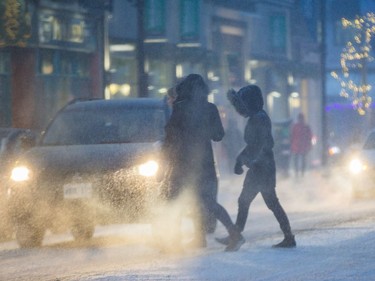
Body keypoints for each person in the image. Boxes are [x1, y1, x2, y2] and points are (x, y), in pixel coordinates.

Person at [160, 74, 245, 252]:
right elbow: (218, 135)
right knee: (208, 202)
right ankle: (232, 235)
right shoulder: (210, 108)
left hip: (182, 164)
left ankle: (174, 242)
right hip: (205, 164)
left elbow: (170, 139)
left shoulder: (180, 108)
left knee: (176, 201)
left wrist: (163, 165)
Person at [216, 85, 296, 248]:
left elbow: (260, 144)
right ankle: (238, 235)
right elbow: (254, 145)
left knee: (263, 202)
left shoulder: (258, 118)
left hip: (262, 168)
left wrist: (246, 160)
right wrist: (242, 159)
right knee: (258, 202)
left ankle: (237, 236)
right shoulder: (258, 117)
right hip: (260, 167)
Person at [290, 113, 312, 178]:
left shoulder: (295, 126)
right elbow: (309, 137)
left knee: (297, 160)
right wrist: (309, 145)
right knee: (302, 160)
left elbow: (292, 136)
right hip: (302, 146)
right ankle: (301, 173)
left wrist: (291, 145)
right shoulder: (306, 127)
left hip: (297, 146)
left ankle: (298, 173)